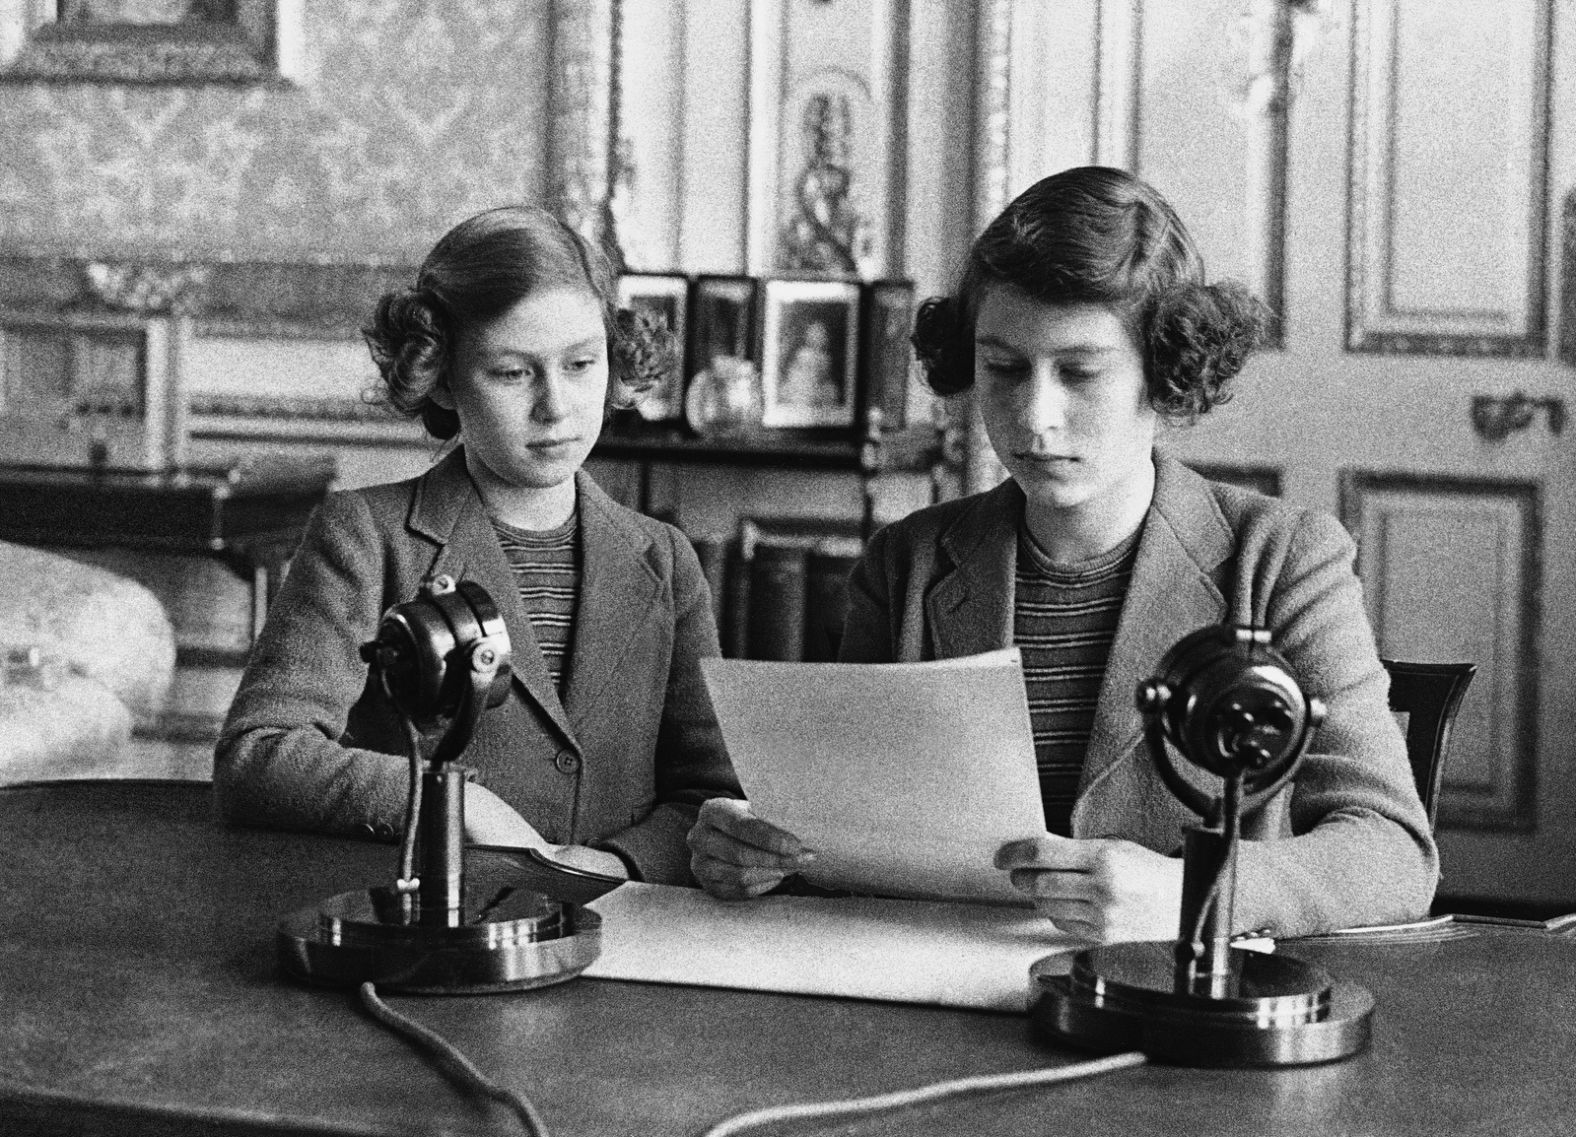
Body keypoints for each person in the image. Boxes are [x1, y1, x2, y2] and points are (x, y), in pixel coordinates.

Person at [687, 166, 1437, 939]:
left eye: (1079, 372)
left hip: (1180, 1011)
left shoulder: (1284, 561)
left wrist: (1195, 891)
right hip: (938, 1003)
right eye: (1003, 368)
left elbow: (1392, 851)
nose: (1034, 415)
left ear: (1168, 370)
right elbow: (845, 838)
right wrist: (751, 850)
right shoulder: (903, 564)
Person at [215, 205, 739, 884]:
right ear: (440, 373)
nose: (556, 406)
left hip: (618, 936)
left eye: (581, 363)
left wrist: (613, 863)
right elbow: (259, 756)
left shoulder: (666, 560)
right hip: (424, 932)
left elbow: (708, 798)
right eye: (513, 374)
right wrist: (451, 803)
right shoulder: (365, 537)